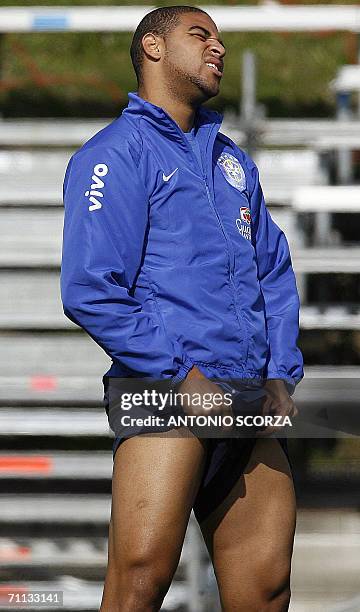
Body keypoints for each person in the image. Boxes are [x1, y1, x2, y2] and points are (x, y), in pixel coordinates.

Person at [61, 5, 304, 611]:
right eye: (201, 36)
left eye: (220, 40)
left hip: (248, 398)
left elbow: (272, 266)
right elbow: (90, 288)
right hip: (166, 396)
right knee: (138, 585)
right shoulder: (115, 153)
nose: (216, 48)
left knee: (267, 589)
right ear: (153, 47)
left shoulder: (233, 162)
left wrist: (280, 370)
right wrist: (180, 376)